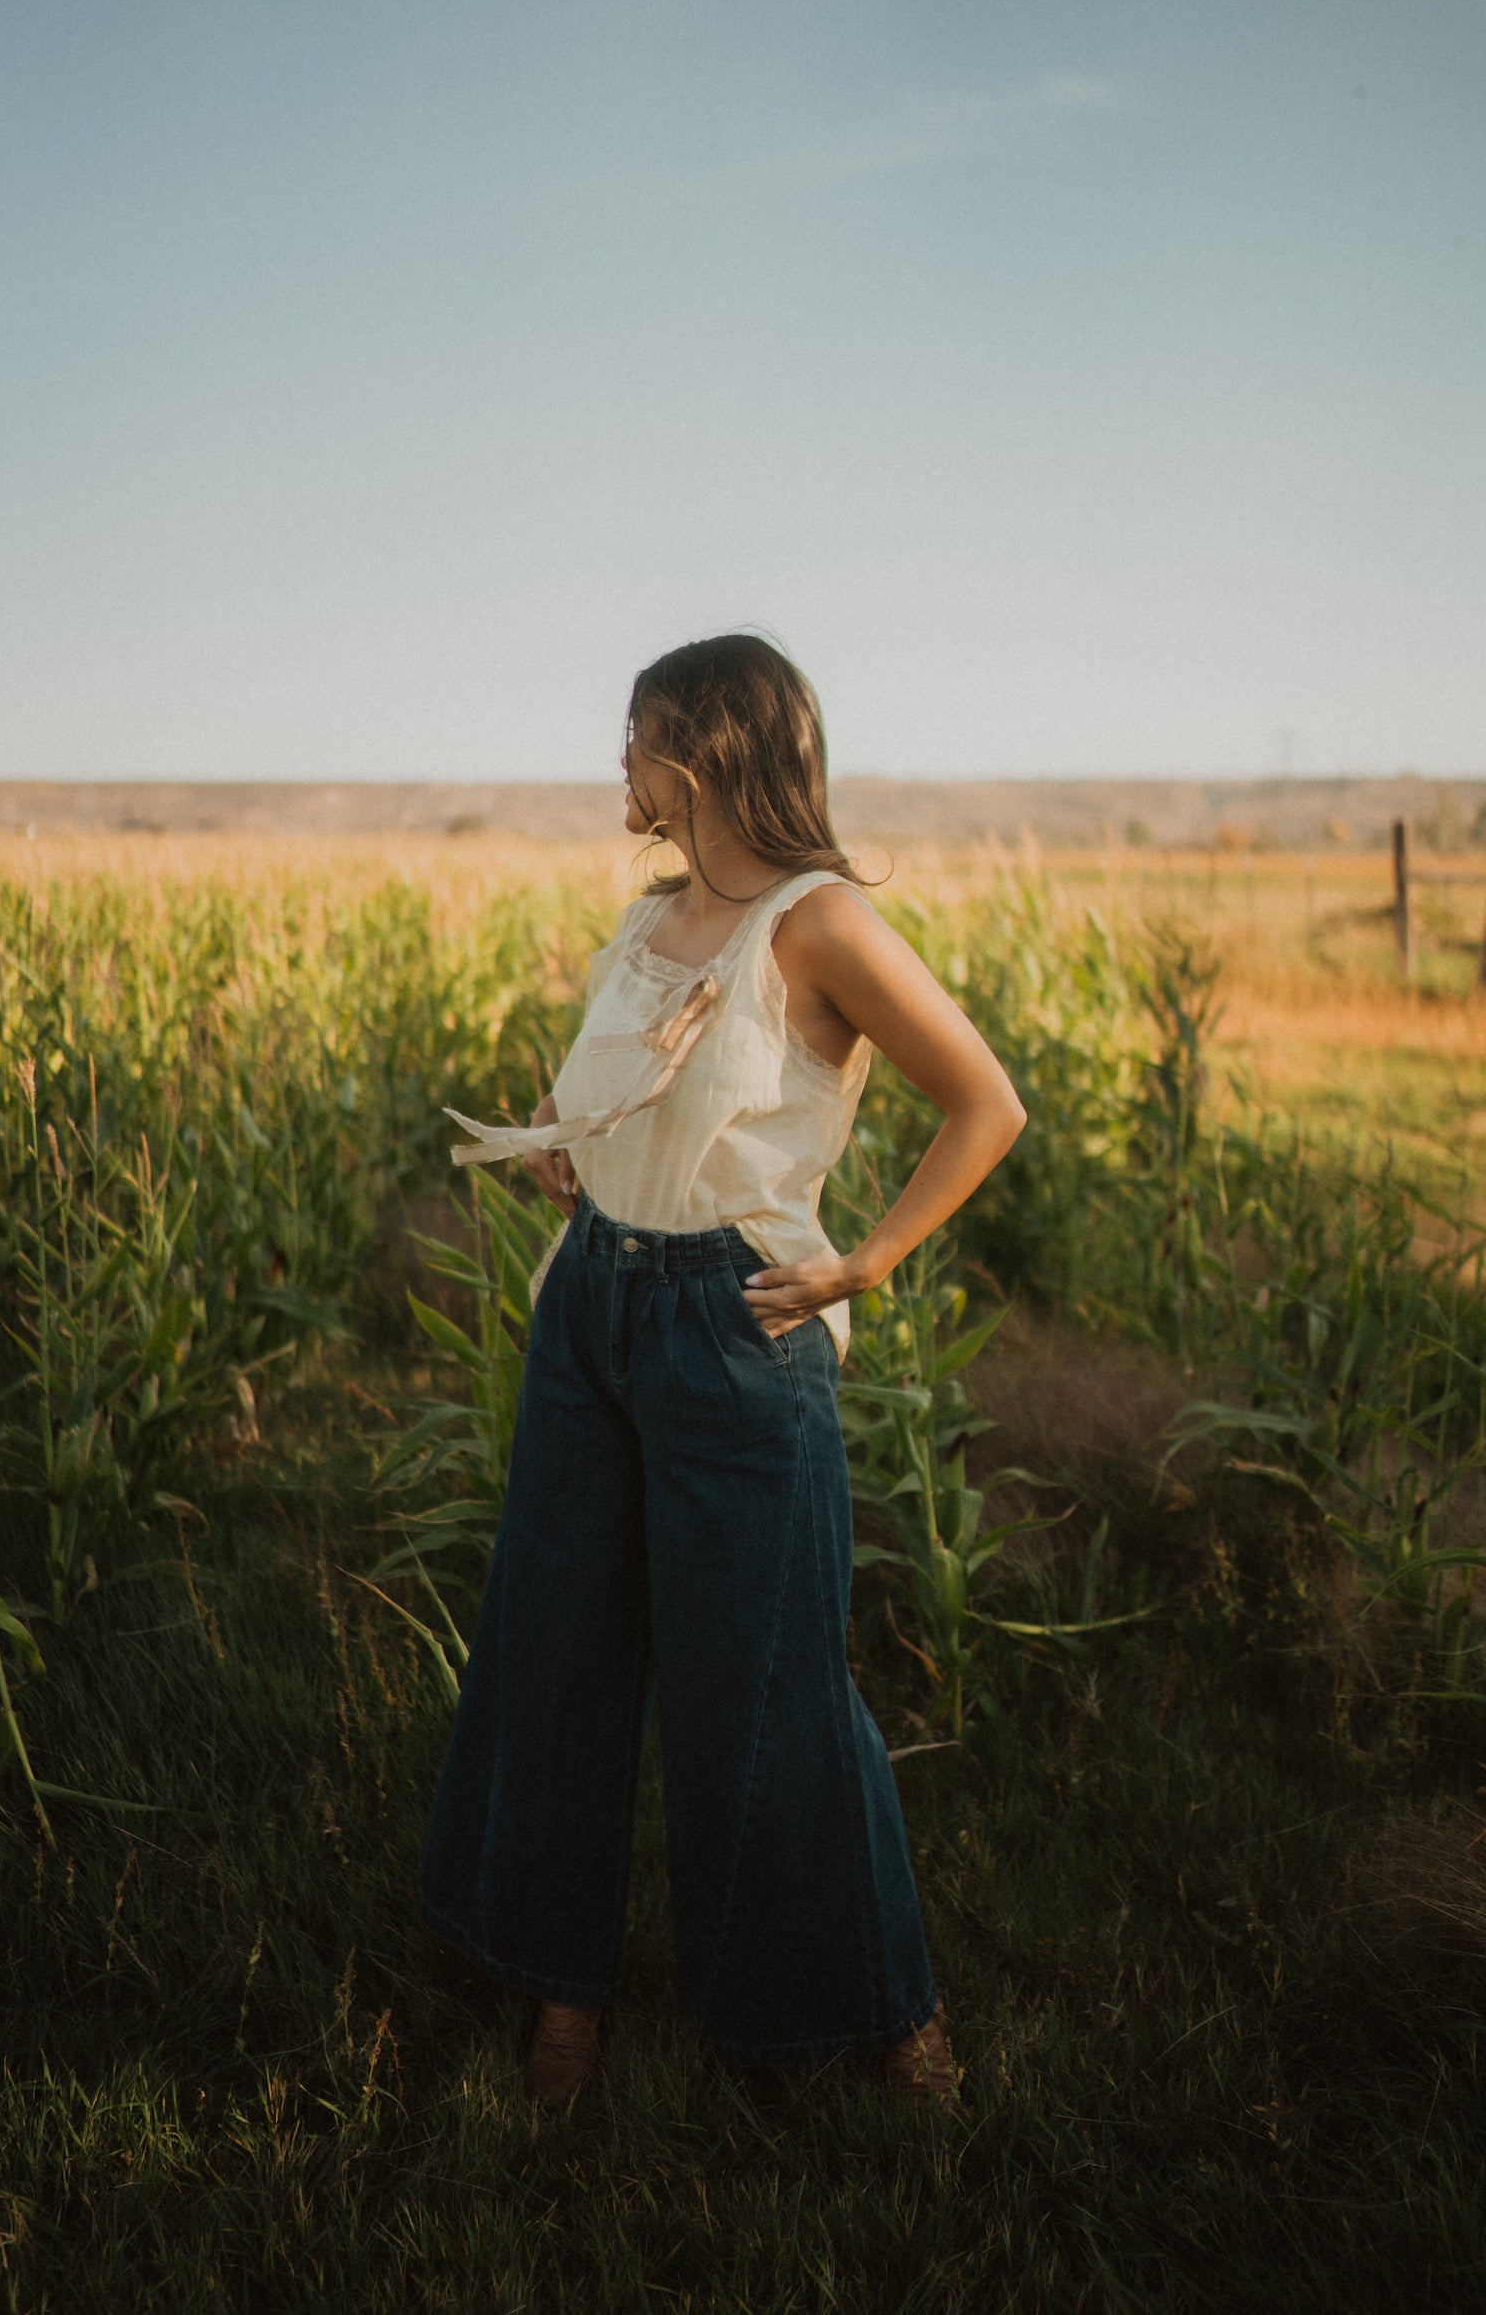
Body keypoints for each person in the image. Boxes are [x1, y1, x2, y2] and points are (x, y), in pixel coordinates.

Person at [419, 635, 1026, 2104]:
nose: (618, 769)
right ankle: (562, 2003)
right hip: (593, 1318)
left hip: (733, 1330)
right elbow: (632, 1101)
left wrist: (866, 1261)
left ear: (704, 752)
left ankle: (888, 2015)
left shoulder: (817, 926)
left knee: (769, 1688)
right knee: (557, 1659)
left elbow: (985, 1102)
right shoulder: (646, 922)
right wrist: (576, 1155)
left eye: (635, 740)